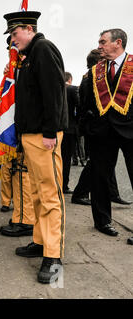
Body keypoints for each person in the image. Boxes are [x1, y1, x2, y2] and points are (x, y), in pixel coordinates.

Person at [3, 10, 68, 284]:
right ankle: (41, 241)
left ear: (29, 28)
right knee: (37, 192)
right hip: (31, 136)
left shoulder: (43, 49)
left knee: (50, 194)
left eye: (14, 35)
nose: (12, 41)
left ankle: (53, 255)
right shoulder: (28, 57)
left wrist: (50, 131)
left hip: (44, 136)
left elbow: (54, 92)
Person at [80, 29, 133, 240]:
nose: (99, 45)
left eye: (103, 42)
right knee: (100, 178)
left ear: (117, 43)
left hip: (130, 130)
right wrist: (88, 127)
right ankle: (102, 221)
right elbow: (84, 101)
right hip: (101, 133)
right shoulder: (94, 72)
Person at [72, 49, 131, 207]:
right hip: (95, 129)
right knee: (96, 166)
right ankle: (80, 192)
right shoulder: (90, 77)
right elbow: (84, 105)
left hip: (107, 128)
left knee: (104, 166)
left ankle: (112, 193)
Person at [62, 72, 79, 195]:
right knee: (66, 159)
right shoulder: (73, 89)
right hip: (70, 129)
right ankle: (64, 185)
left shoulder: (56, 89)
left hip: (57, 129)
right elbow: (80, 106)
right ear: (70, 79)